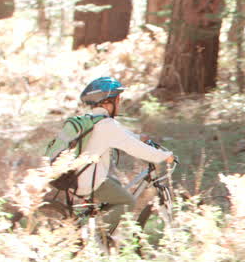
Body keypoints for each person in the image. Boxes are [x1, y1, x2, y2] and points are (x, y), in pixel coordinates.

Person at [64, 76, 174, 233]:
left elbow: (124, 136)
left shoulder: (93, 119)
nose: (119, 103)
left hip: (76, 176)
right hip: (88, 181)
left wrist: (139, 138)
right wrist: (163, 156)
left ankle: (93, 223)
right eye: (117, 99)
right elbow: (134, 148)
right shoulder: (107, 125)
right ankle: (100, 239)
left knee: (116, 185)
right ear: (107, 102)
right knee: (127, 200)